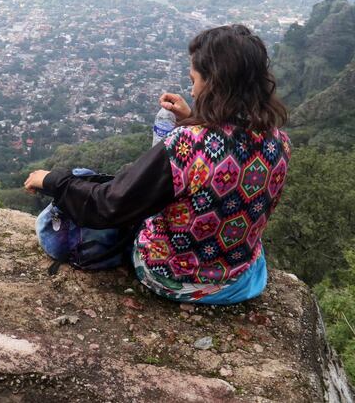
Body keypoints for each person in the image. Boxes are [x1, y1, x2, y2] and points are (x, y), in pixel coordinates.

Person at [25, 24, 290, 304]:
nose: (193, 89)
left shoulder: (187, 145)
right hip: (239, 278)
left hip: (175, 279)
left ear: (212, 84)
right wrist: (194, 117)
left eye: (194, 80)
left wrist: (53, 181)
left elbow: (111, 205)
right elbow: (227, 160)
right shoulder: (279, 141)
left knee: (84, 179)